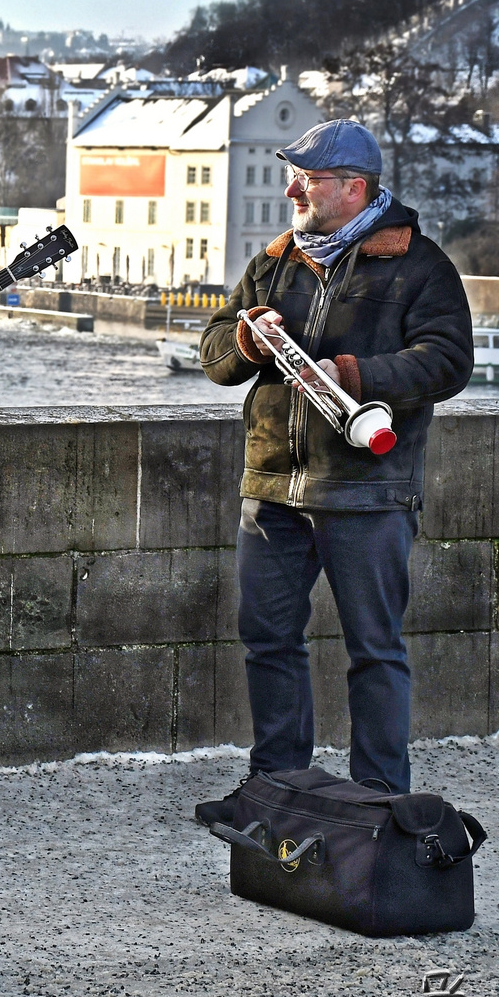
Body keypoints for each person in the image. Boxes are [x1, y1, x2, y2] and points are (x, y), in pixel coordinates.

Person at [195, 119, 472, 825]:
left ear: (353, 187)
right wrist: (248, 344)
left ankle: (379, 808)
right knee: (268, 641)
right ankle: (276, 791)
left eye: (309, 179)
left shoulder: (419, 264)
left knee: (374, 651)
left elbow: (447, 360)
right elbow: (214, 352)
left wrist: (354, 373)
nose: (293, 189)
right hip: (272, 485)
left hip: (367, 491)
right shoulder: (278, 258)